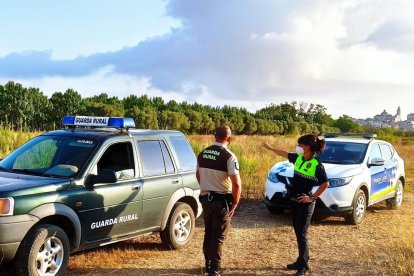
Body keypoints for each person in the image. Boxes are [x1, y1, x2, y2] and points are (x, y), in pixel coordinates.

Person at [262, 134, 329, 276]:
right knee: (298, 232)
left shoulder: (317, 165)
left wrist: (311, 198)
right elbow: (284, 153)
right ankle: (301, 260)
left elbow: (325, 184)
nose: (298, 147)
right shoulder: (298, 158)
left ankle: (303, 266)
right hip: (294, 201)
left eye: (301, 145)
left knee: (302, 234)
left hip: (305, 204)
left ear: (308, 147)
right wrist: (269, 148)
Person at [196, 125, 242, 276]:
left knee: (208, 232)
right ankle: (214, 270)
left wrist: (206, 187)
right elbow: (236, 183)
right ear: (229, 138)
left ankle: (208, 265)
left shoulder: (202, 153)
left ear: (214, 136)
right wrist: (235, 203)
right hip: (221, 201)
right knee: (219, 236)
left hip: (206, 200)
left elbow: (198, 175)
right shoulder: (229, 156)